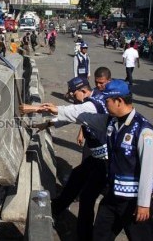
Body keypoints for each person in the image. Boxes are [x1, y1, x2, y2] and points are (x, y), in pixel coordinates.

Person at [42, 79, 153, 241]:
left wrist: (144, 204)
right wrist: (57, 110)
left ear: (118, 101)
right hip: (113, 197)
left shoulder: (144, 131)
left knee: (140, 237)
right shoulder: (111, 122)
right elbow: (83, 116)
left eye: (107, 101)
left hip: (133, 202)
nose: (104, 104)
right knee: (100, 235)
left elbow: (148, 169)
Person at [20, 76, 109, 241]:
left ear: (82, 90)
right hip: (98, 157)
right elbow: (71, 117)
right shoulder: (95, 97)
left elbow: (67, 112)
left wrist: (31, 108)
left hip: (105, 160)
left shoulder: (90, 104)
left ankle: (84, 235)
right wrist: (47, 125)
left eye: (73, 93)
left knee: (89, 198)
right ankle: (56, 209)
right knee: (77, 176)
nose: (72, 97)